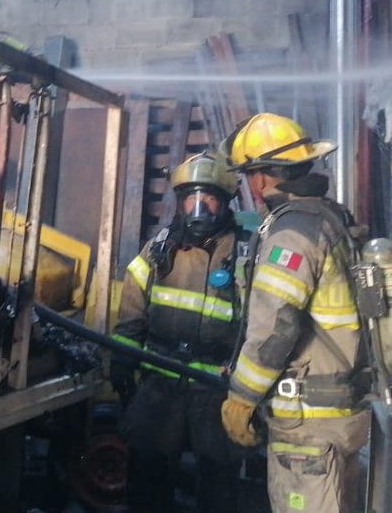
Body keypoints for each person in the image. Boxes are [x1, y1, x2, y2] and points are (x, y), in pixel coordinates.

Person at [219, 113, 370, 513]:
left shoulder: (291, 233)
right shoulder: (331, 217)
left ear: (260, 178)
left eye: (248, 174)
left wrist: (242, 397)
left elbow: (275, 328)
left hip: (309, 423)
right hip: (340, 409)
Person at [110, 152, 248, 513]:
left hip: (217, 388)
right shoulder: (160, 249)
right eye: (192, 198)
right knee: (146, 480)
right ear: (180, 202)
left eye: (210, 199)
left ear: (226, 203)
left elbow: (260, 322)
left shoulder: (247, 253)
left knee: (218, 485)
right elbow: (132, 307)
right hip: (160, 384)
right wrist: (123, 361)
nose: (199, 209)